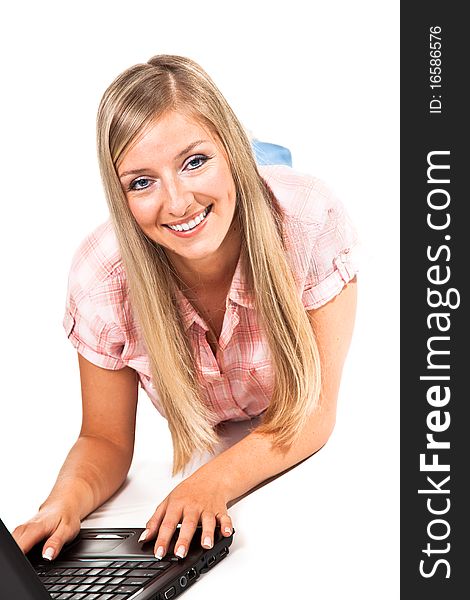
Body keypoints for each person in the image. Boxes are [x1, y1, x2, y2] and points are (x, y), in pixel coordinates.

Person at [13, 54, 358, 563]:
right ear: (119, 194)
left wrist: (210, 483)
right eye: (141, 181)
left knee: (261, 182)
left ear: (231, 152)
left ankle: (257, 159)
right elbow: (104, 439)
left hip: (267, 211)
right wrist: (61, 503)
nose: (176, 202)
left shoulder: (308, 220)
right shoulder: (102, 280)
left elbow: (315, 412)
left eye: (195, 160)